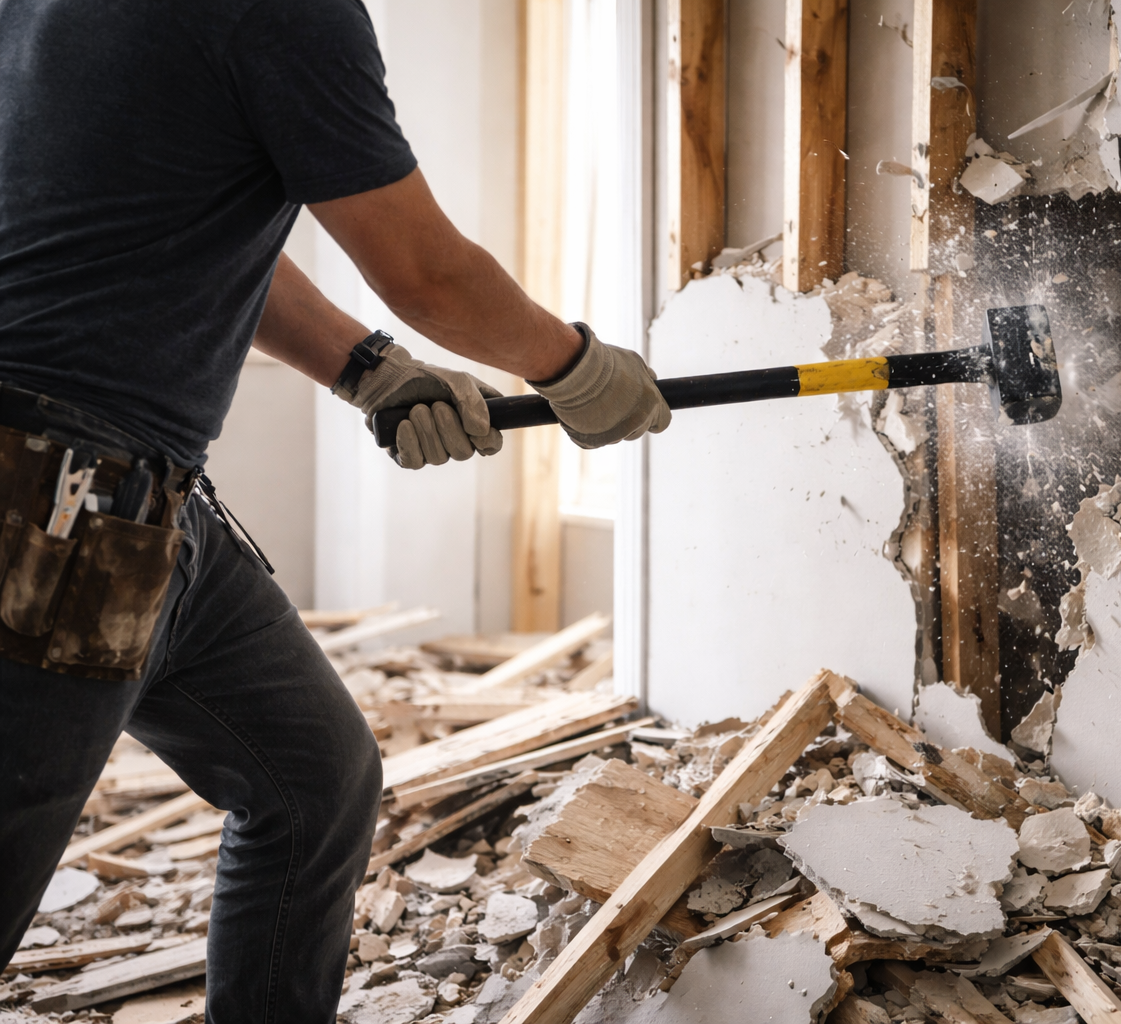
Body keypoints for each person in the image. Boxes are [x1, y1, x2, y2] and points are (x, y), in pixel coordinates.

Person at [0, 0, 669, 1020]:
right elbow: (427, 271)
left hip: (147, 506)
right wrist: (573, 366)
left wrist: (369, 370)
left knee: (312, 783)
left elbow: (187, 217)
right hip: (47, 517)